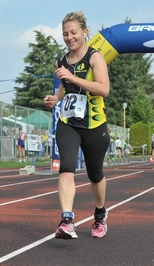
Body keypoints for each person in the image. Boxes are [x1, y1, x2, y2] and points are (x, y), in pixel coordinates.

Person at [44, 11, 110, 239]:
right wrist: (55, 99)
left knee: (95, 175)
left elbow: (104, 89)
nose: (69, 37)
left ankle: (100, 214)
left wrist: (72, 78)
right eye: (65, 34)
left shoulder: (95, 58)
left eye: (73, 32)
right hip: (68, 123)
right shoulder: (62, 61)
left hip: (94, 126)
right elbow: (65, 88)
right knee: (66, 169)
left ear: (84, 32)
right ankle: (67, 220)